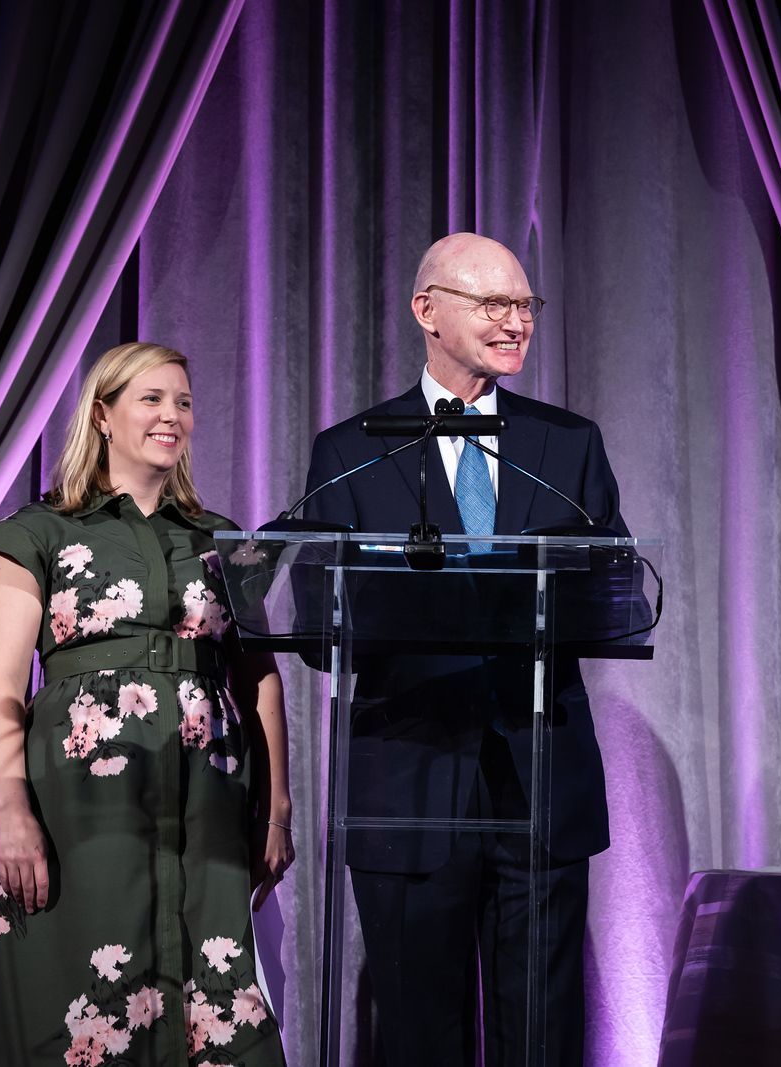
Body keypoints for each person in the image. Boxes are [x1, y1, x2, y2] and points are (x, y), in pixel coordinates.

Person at [301, 233, 629, 1065]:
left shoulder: (569, 445)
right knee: (419, 1036)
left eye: (525, 306)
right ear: (428, 311)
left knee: (542, 1036)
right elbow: (313, 613)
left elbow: (612, 590)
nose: (517, 322)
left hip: (539, 784)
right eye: (495, 304)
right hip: (408, 786)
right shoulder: (352, 450)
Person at [0, 343, 293, 1064]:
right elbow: (0, 686)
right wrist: (12, 812)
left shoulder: (221, 541)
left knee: (217, 985)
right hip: (80, 804)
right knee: (80, 989)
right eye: (152, 398)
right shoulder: (35, 535)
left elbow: (259, 677)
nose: (172, 415)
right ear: (103, 414)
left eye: (183, 401)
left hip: (208, 800)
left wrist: (277, 804)